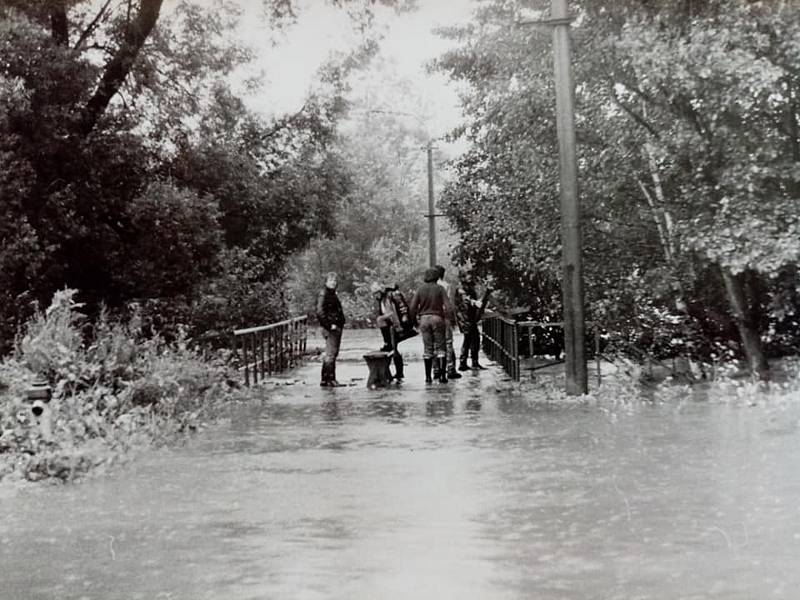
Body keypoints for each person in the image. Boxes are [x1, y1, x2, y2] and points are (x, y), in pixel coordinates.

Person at [409, 267, 453, 384]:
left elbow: (412, 307)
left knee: (428, 349)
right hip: (437, 318)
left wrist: (414, 322)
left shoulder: (420, 289)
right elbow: (448, 307)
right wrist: (449, 319)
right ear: (436, 277)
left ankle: (428, 377)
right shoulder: (440, 289)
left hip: (424, 319)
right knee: (441, 348)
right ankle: (443, 376)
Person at [370, 282, 416, 382]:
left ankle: (399, 373)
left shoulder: (392, 295)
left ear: (380, 291)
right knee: (393, 347)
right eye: (374, 294)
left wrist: (405, 320)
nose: (375, 296)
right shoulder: (382, 300)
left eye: (376, 293)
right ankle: (395, 372)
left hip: (399, 325)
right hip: (391, 326)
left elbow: (402, 307)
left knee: (393, 347)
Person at [316, 272, 345, 387]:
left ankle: (325, 379)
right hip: (331, 327)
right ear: (326, 282)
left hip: (335, 326)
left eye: (335, 281)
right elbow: (320, 312)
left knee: (331, 353)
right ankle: (330, 379)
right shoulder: (324, 294)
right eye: (331, 281)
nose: (333, 283)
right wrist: (329, 325)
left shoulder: (331, 294)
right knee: (331, 353)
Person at [454, 271, 488, 370]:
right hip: (465, 318)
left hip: (468, 317)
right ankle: (466, 362)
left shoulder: (469, 288)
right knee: (470, 339)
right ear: (463, 277)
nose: (470, 277)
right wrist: (475, 303)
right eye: (468, 275)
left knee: (471, 339)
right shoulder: (461, 288)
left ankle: (468, 362)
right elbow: (466, 299)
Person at [434, 265, 461, 380]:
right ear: (443, 274)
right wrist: (453, 319)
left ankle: (436, 369)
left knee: (436, 343)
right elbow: (449, 304)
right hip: (445, 317)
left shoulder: (430, 287)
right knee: (448, 342)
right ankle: (450, 368)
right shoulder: (446, 286)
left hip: (434, 316)